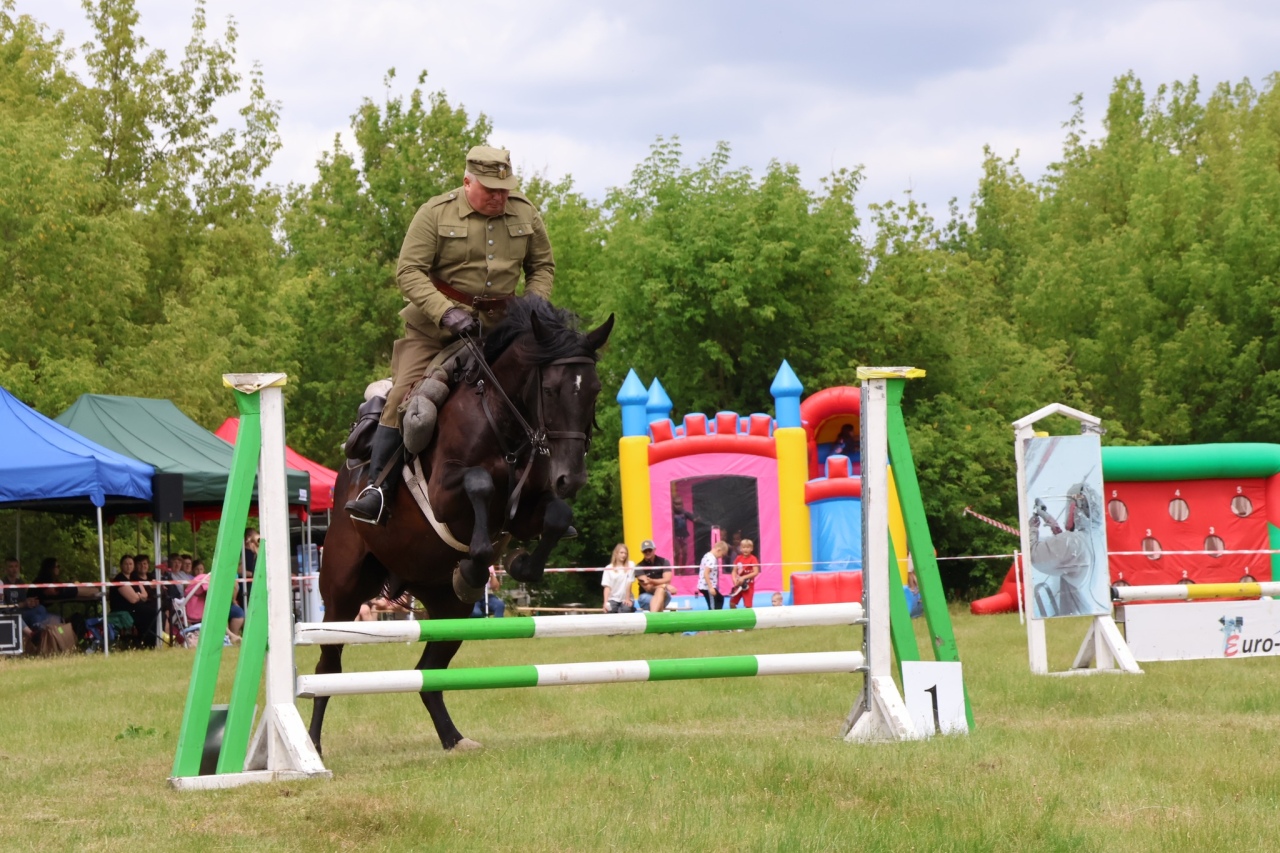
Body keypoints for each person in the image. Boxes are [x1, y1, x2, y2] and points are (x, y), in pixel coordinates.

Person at [346, 145, 556, 524]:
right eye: (490, 189)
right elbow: (408, 271)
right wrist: (446, 312)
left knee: (549, 387)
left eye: (504, 189)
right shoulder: (435, 212)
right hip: (434, 331)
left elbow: (542, 266)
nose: (499, 197)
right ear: (467, 181)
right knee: (404, 395)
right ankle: (378, 489)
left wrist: (532, 307)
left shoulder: (525, 212)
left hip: (503, 329)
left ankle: (547, 490)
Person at [108, 554, 159, 649]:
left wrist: (137, 595)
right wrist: (139, 595)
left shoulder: (134, 577)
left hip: (136, 607)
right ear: (121, 566)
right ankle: (147, 642)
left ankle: (152, 641)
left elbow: (145, 595)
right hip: (124, 609)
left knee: (156, 611)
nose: (128, 566)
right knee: (152, 613)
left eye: (130, 564)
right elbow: (133, 599)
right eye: (126, 564)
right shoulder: (120, 579)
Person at [635, 540, 674, 612]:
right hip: (646, 595)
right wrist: (664, 585)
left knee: (660, 592)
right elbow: (648, 588)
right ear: (642, 552)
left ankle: (653, 617)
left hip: (664, 594)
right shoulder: (639, 567)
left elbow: (667, 580)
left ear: (654, 549)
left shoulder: (664, 561)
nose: (647, 552)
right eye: (645, 551)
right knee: (660, 595)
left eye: (649, 550)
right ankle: (655, 616)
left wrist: (652, 581)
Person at [601, 543, 635, 614]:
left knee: (625, 609)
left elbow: (629, 583)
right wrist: (605, 603)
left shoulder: (631, 565)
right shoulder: (608, 568)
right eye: (621, 553)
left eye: (625, 553)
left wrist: (627, 599)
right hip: (613, 599)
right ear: (616, 553)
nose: (624, 555)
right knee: (609, 610)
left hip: (626, 598)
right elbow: (607, 587)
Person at [728, 539, 760, 609]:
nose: (745, 549)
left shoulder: (753, 559)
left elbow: (756, 572)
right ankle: (736, 616)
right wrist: (734, 580)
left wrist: (743, 577)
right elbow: (734, 571)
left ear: (751, 549)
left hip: (748, 586)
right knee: (732, 603)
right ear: (740, 548)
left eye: (748, 547)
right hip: (738, 585)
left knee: (748, 606)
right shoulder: (738, 558)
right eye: (743, 547)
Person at [698, 540, 730, 611]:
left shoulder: (707, 555)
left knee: (720, 599)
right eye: (722, 555)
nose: (720, 557)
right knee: (713, 606)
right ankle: (713, 616)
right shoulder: (711, 559)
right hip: (707, 587)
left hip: (706, 586)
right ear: (718, 550)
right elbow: (706, 573)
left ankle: (717, 615)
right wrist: (711, 587)